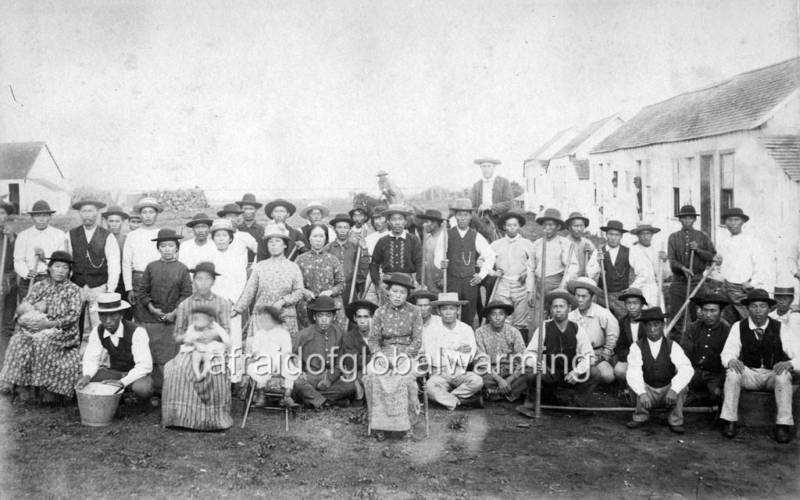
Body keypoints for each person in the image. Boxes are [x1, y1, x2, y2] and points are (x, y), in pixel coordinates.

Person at [0, 251, 82, 403]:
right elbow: (25, 305)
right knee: (18, 341)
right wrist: (24, 320)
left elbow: (73, 316)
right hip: (37, 328)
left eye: (65, 268)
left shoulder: (74, 290)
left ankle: (48, 387)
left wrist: (49, 324)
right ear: (49, 268)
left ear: (69, 271)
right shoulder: (39, 286)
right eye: (57, 266)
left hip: (63, 332)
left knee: (42, 342)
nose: (61, 271)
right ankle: (20, 384)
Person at [719, 289, 799, 443]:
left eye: (762, 306)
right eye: (754, 306)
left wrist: (790, 363)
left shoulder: (780, 327)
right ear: (747, 309)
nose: (758, 311)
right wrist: (731, 360)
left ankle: (783, 424)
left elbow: (798, 354)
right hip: (749, 374)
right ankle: (729, 421)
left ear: (769, 309)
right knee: (733, 372)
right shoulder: (738, 326)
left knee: (783, 375)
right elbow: (727, 352)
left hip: (771, 374)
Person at [161, 261, 234, 430]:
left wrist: (212, 334)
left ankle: (213, 420)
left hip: (214, 348)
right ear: (194, 281)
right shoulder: (184, 305)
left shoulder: (222, 303)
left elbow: (226, 332)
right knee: (174, 369)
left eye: (207, 279)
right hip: (190, 348)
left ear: (213, 281)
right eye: (199, 279)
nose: (202, 282)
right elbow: (177, 336)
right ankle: (179, 418)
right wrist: (191, 338)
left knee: (214, 370)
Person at [516, 290, 597, 417]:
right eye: (555, 307)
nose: (558, 310)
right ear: (551, 310)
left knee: (594, 372)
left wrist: (577, 371)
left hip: (570, 373)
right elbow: (529, 352)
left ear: (569, 308)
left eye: (561, 306)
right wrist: (537, 362)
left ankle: (579, 404)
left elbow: (589, 356)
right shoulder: (544, 327)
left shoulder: (577, 328)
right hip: (549, 372)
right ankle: (531, 405)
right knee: (531, 373)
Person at [135, 228, 193, 398]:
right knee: (152, 355)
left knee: (169, 357)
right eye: (163, 246)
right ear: (158, 248)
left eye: (171, 246)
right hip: (151, 320)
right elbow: (142, 291)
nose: (167, 249)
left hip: (173, 321)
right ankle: (153, 390)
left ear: (177, 248)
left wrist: (174, 312)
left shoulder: (182, 269)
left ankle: (169, 392)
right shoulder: (151, 267)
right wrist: (152, 308)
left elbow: (186, 294)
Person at [364, 276, 423, 437]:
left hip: (406, 355)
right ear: (388, 292)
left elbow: (417, 340)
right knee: (371, 375)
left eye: (402, 292)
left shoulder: (415, 312)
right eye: (394, 291)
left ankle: (407, 425)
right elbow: (373, 340)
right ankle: (378, 425)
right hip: (384, 354)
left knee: (407, 377)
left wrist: (403, 357)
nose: (397, 295)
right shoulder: (379, 312)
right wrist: (380, 357)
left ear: (407, 294)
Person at [625, 307, 694, 434]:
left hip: (667, 392)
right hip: (648, 392)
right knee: (633, 380)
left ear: (663, 325)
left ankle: (675, 420)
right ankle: (641, 416)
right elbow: (633, 371)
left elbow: (686, 368)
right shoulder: (637, 347)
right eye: (648, 325)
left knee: (682, 385)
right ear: (644, 327)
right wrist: (642, 393)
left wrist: (674, 389)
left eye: (656, 325)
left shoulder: (672, 345)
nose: (652, 329)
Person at [75, 293, 153, 401]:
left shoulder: (137, 332)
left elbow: (145, 365)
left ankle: (126, 393)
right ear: (98, 316)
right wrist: (87, 376)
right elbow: (91, 359)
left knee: (143, 388)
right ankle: (121, 395)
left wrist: (123, 382)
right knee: (81, 379)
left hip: (136, 375)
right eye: (103, 315)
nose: (108, 320)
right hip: (114, 372)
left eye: (113, 315)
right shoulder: (97, 331)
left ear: (121, 314)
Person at [234, 224, 304, 343]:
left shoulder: (293, 267)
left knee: (282, 354)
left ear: (285, 245)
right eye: (270, 241)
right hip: (262, 317)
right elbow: (249, 291)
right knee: (260, 353)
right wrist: (237, 309)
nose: (273, 244)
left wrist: (283, 301)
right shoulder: (260, 266)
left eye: (277, 241)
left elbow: (299, 292)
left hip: (285, 317)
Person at [438, 199, 495, 326]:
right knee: (450, 313)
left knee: (469, 315)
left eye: (466, 215)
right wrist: (441, 264)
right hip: (452, 280)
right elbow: (438, 255)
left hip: (470, 282)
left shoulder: (476, 236)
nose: (462, 218)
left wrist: (481, 275)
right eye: (459, 215)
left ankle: (467, 341)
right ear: (455, 216)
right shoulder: (447, 234)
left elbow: (490, 256)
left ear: (470, 217)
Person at [68, 199, 120, 334]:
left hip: (99, 287)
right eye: (84, 211)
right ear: (80, 213)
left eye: (90, 211)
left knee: (99, 325)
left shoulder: (107, 236)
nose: (87, 215)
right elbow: (66, 262)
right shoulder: (70, 234)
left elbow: (114, 265)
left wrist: (110, 289)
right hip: (77, 286)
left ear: (97, 213)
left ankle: (99, 353)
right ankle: (76, 353)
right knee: (75, 323)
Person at [423, 292, 483, 410]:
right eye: (444, 309)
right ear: (439, 311)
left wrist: (444, 351)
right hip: (439, 375)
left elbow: (468, 358)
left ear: (458, 310)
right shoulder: (431, 330)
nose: (448, 312)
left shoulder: (466, 329)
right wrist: (457, 350)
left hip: (460, 374)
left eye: (452, 308)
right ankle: (463, 401)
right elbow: (433, 358)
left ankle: (448, 399)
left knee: (477, 381)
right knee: (429, 388)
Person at [292, 296, 356, 408]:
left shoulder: (339, 333)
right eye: (320, 315)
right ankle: (329, 402)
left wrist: (329, 380)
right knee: (297, 384)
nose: (324, 319)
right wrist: (299, 372)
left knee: (350, 385)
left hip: (330, 377)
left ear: (333, 317)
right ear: (314, 316)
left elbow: (340, 362)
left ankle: (313, 401)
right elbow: (293, 359)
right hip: (310, 378)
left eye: (328, 315)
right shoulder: (302, 335)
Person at [713, 208, 769, 323]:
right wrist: (717, 264)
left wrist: (752, 283)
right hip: (726, 287)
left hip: (742, 289)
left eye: (736, 220)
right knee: (727, 321)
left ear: (742, 222)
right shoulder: (724, 242)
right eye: (729, 220)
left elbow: (760, 265)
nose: (733, 223)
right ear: (725, 222)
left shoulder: (751, 241)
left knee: (748, 320)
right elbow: (720, 266)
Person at [667, 205, 716, 322]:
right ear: (680, 220)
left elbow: (711, 257)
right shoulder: (673, 237)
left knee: (698, 316)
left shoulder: (702, 236)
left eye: (690, 218)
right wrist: (683, 268)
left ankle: (697, 338)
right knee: (677, 316)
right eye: (684, 218)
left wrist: (698, 249)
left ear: (694, 219)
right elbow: (672, 260)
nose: (687, 221)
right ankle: (678, 339)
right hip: (679, 282)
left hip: (696, 281)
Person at [491, 211, 535, 341]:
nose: (512, 228)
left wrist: (526, 273)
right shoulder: (496, 245)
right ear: (504, 227)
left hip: (521, 286)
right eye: (509, 225)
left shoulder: (527, 244)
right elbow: (483, 262)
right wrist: (494, 272)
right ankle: (504, 350)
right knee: (505, 317)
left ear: (519, 226)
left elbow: (534, 264)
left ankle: (520, 352)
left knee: (521, 320)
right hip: (502, 285)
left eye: (515, 225)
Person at [207, 219, 248, 360]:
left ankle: (234, 378)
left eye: (224, 235)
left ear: (230, 238)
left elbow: (241, 281)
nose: (221, 239)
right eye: (217, 236)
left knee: (234, 340)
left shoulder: (237, 257)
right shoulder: (209, 258)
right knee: (215, 340)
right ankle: (215, 374)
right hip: (213, 305)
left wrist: (232, 300)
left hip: (232, 306)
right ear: (213, 238)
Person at [244, 304, 299, 408]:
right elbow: (255, 350)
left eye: (267, 320)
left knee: (290, 367)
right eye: (261, 320)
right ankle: (261, 393)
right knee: (257, 368)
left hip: (280, 360)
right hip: (264, 361)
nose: (263, 323)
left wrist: (282, 360)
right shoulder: (259, 334)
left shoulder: (283, 333)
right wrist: (257, 356)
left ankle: (287, 394)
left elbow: (287, 350)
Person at [567, 277, 620, 385]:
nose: (580, 300)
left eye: (584, 296)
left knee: (607, 376)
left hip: (597, 355)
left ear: (592, 297)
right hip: (576, 355)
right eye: (577, 296)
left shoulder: (602, 313)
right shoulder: (570, 316)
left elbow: (612, 335)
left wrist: (605, 354)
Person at [529, 208, 575, 332]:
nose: (547, 228)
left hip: (556, 285)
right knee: (537, 321)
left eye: (551, 225)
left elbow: (572, 267)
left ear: (558, 226)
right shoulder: (537, 244)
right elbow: (531, 268)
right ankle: (537, 349)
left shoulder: (564, 243)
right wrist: (530, 290)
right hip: (539, 287)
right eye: (545, 225)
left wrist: (563, 285)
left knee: (556, 318)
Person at [679, 293, 730, 403]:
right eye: (705, 310)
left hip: (715, 375)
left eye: (713, 311)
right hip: (692, 373)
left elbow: (728, 361)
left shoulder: (727, 330)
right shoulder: (693, 328)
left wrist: (720, 385)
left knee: (719, 396)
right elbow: (683, 356)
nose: (708, 314)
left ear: (721, 312)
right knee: (680, 394)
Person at [474, 300, 527, 402]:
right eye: (493, 314)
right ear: (488, 317)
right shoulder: (480, 332)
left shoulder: (514, 332)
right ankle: (509, 394)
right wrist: (499, 379)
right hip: (491, 372)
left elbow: (522, 358)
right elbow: (482, 360)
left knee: (528, 375)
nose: (498, 318)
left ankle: (494, 393)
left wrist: (509, 379)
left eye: (501, 314)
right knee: (478, 378)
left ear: (506, 316)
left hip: (511, 371)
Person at [13, 200, 68, 299]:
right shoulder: (23, 236)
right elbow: (18, 260)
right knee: (28, 312)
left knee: (50, 311)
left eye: (45, 216)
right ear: (32, 217)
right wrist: (26, 273)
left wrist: (44, 258)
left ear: (50, 217)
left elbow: (62, 262)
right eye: (38, 216)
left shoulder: (59, 235)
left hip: (51, 279)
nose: (41, 219)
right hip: (28, 281)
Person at [296, 223, 346, 327]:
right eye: (315, 236)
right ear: (309, 239)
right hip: (308, 302)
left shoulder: (333, 259)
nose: (318, 239)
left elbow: (341, 284)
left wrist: (330, 292)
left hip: (330, 302)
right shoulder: (300, 260)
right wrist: (304, 291)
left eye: (321, 236)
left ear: (325, 239)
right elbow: (295, 284)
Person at [369, 205, 424, 300]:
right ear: (389, 222)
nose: (397, 222)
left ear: (405, 222)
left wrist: (419, 282)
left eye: (400, 219)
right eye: (394, 219)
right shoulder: (383, 241)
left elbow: (419, 263)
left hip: (408, 283)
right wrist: (379, 283)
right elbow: (374, 264)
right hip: (388, 284)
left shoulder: (413, 240)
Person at [122, 197, 162, 308]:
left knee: (158, 311)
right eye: (144, 212)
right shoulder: (132, 236)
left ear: (156, 214)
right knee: (140, 312)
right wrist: (129, 288)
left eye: (151, 212)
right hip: (139, 279)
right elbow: (126, 263)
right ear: (140, 214)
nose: (148, 215)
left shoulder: (161, 233)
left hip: (159, 278)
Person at [325, 214, 370, 311]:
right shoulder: (328, 248)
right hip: (332, 291)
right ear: (334, 229)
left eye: (345, 227)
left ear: (350, 229)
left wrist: (364, 249)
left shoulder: (355, 247)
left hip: (350, 288)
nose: (342, 230)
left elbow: (363, 268)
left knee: (351, 318)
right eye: (339, 227)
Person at [587, 220, 631, 319]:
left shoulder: (628, 252)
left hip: (621, 296)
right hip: (603, 295)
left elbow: (639, 272)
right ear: (606, 234)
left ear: (621, 236)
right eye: (611, 234)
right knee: (604, 321)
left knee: (623, 322)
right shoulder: (598, 252)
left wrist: (632, 287)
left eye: (617, 235)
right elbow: (590, 274)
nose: (613, 238)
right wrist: (598, 262)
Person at [342, 299, 377, 403]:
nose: (362, 321)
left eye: (366, 317)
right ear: (354, 318)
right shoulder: (349, 337)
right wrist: (374, 357)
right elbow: (352, 361)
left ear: (372, 318)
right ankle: (361, 397)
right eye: (359, 317)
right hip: (360, 374)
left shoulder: (378, 335)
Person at [613, 288, 647, 396]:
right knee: (619, 370)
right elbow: (620, 346)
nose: (631, 307)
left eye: (635, 303)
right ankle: (626, 388)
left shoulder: (649, 320)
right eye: (628, 303)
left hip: (648, 359)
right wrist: (630, 357)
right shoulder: (623, 322)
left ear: (641, 304)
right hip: (630, 358)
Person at [182, 305, 230, 381]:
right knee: (195, 358)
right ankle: (197, 373)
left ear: (209, 319)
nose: (197, 321)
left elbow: (224, 335)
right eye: (195, 319)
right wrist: (192, 340)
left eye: (201, 319)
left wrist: (227, 344)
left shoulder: (214, 325)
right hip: (198, 347)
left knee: (208, 358)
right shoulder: (193, 327)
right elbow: (187, 338)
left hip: (210, 347)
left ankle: (205, 372)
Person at [629, 223, 670, 310]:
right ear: (638, 235)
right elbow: (638, 272)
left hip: (655, 289)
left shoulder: (656, 251)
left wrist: (665, 260)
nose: (645, 237)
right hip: (640, 288)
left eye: (648, 234)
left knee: (657, 315)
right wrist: (634, 289)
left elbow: (665, 275)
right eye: (642, 234)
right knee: (642, 315)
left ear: (652, 235)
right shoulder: (633, 250)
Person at [0, 200, 17, 360]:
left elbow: (15, 260)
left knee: (6, 325)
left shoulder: (11, 236)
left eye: (3, 213)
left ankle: (4, 362)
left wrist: (11, 238)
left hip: (8, 284)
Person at [101, 205, 129, 299]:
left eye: (117, 221)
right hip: (105, 281)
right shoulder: (101, 238)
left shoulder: (127, 239)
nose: (114, 224)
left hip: (123, 282)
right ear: (106, 222)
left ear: (122, 222)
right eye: (111, 221)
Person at [363, 206, 389, 303]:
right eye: (375, 219)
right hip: (370, 274)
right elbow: (365, 257)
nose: (377, 222)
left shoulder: (391, 236)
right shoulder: (369, 238)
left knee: (385, 300)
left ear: (387, 219)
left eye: (380, 218)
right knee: (369, 300)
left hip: (385, 274)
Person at [560, 212, 596, 283]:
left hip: (583, 281)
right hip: (567, 281)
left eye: (581, 226)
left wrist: (590, 255)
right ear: (569, 227)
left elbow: (594, 263)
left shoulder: (588, 243)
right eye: (575, 226)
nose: (579, 229)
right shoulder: (563, 243)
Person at [416, 209, 446, 293]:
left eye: (427, 222)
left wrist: (445, 278)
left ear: (435, 223)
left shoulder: (445, 237)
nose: (424, 225)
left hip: (440, 282)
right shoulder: (427, 238)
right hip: (429, 282)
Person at [235, 193, 265, 266]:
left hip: (257, 266)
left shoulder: (262, 230)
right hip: (239, 266)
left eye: (251, 209)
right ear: (241, 210)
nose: (248, 211)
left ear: (255, 210)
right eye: (245, 209)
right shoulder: (237, 230)